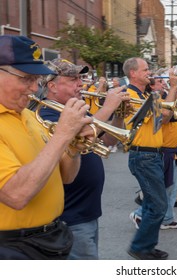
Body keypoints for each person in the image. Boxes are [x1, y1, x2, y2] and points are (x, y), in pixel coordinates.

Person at [0, 35, 93, 259]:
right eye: (26, 78)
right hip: (12, 247)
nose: (33, 88)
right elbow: (16, 195)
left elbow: (65, 177)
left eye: (37, 80)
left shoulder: (29, 115)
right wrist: (62, 135)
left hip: (51, 237)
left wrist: (74, 146)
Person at [38, 58, 128, 259]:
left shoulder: (78, 110)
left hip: (87, 210)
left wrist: (119, 115)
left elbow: (109, 142)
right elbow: (81, 133)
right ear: (52, 85)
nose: (81, 84)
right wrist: (108, 108)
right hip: (69, 214)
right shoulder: (45, 112)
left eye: (80, 78)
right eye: (72, 79)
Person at [123, 57, 177, 260]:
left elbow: (164, 116)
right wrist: (173, 87)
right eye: (145, 70)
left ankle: (147, 246)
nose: (150, 72)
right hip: (144, 155)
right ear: (133, 73)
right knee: (158, 205)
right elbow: (164, 115)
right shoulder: (130, 95)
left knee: (152, 204)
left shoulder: (145, 93)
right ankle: (139, 247)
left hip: (151, 155)